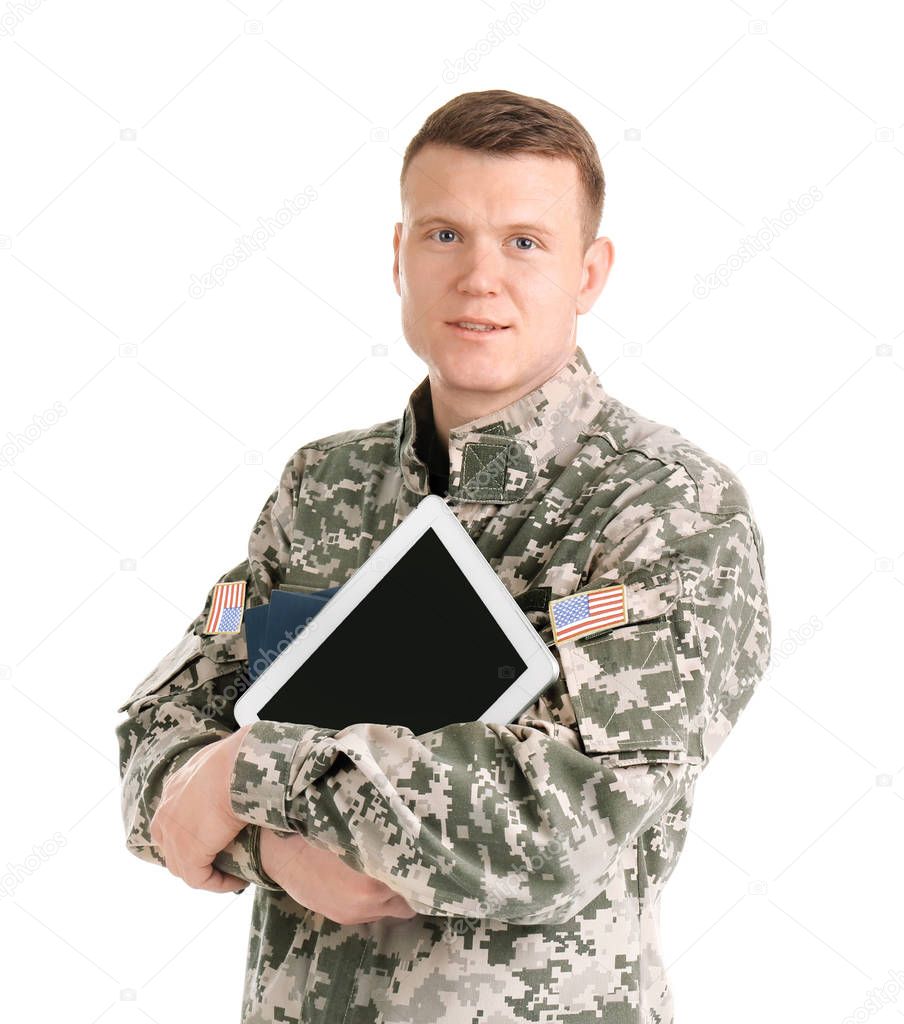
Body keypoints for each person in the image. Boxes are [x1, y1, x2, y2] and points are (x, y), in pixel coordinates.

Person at [115, 89, 772, 1023]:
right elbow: (158, 739)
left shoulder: (665, 508)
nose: (479, 278)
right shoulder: (322, 487)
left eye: (525, 242)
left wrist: (244, 776)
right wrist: (270, 851)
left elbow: (549, 828)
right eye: (445, 235)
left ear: (590, 274)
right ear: (397, 256)